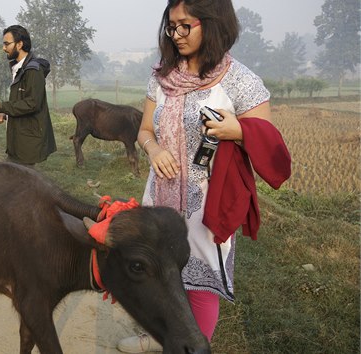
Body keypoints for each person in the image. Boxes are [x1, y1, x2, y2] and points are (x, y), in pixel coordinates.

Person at [117, 0, 291, 352]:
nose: (176, 34)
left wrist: (238, 130)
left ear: (212, 24)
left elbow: (270, 146)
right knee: (158, 274)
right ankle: (157, 337)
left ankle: (196, 347)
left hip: (208, 199)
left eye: (186, 26)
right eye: (171, 26)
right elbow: (145, 131)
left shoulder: (241, 81)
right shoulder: (163, 75)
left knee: (199, 282)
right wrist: (154, 150)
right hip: (161, 195)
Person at [0, 25, 56, 166]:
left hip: (27, 140)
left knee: (23, 182)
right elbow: (20, 101)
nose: (4, 48)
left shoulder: (33, 71)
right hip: (18, 137)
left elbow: (32, 103)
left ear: (19, 44)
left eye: (7, 44)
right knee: (15, 180)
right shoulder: (19, 68)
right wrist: (5, 114)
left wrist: (1, 105)